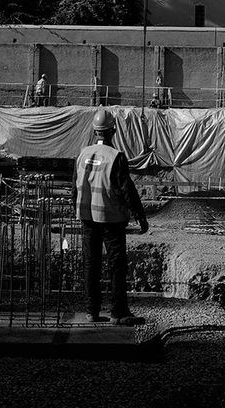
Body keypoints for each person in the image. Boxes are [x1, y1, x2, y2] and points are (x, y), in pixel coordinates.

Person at [74, 108, 151, 325]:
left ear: (94, 130)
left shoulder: (83, 154)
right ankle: (118, 312)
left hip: (87, 218)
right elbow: (127, 189)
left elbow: (75, 187)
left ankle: (92, 312)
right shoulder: (115, 157)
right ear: (113, 130)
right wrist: (140, 216)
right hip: (111, 220)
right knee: (117, 265)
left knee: (91, 264)